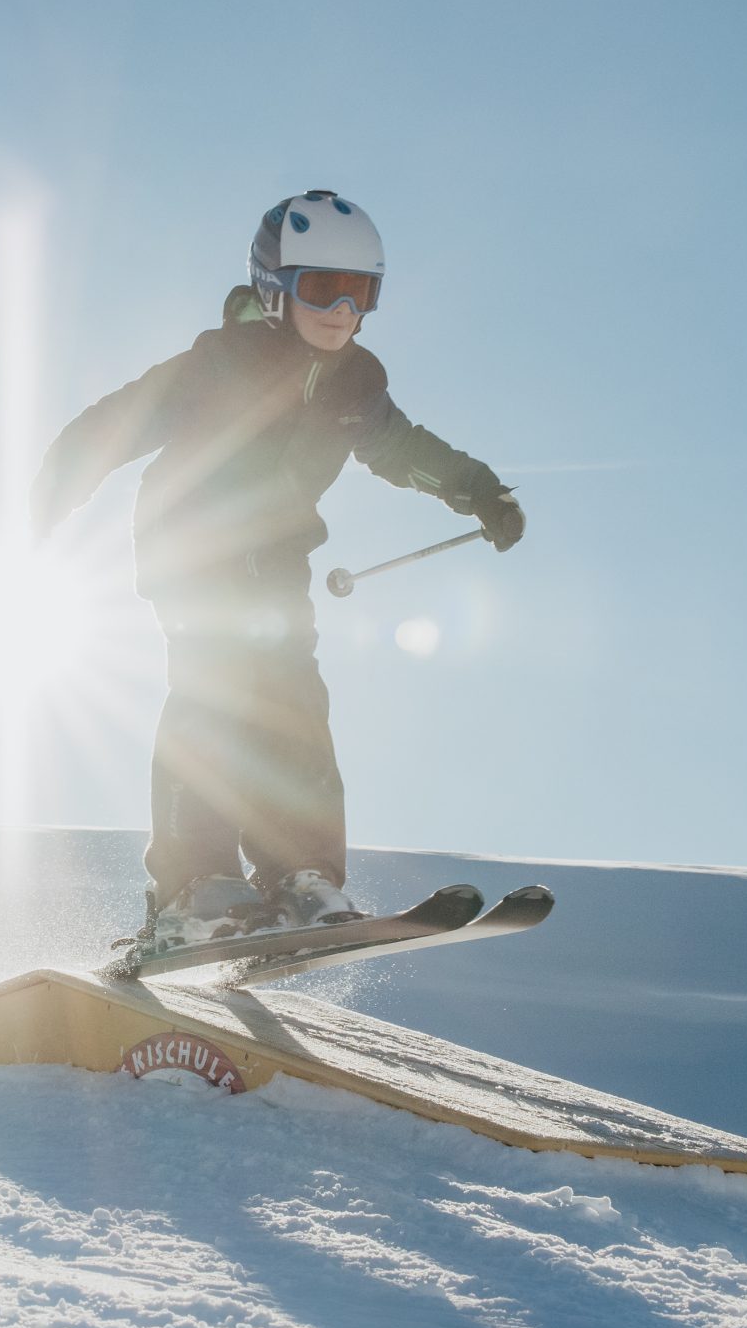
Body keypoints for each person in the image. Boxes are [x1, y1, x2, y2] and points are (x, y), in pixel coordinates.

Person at [30, 191, 524, 950]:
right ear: (274, 286)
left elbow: (402, 449)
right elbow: (115, 422)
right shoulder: (219, 364)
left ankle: (301, 874)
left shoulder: (356, 382)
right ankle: (194, 884)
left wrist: (479, 491)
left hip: (277, 562)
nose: (342, 310)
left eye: (361, 294)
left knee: (294, 702)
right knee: (216, 687)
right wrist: (51, 493)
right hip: (191, 547)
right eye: (324, 289)